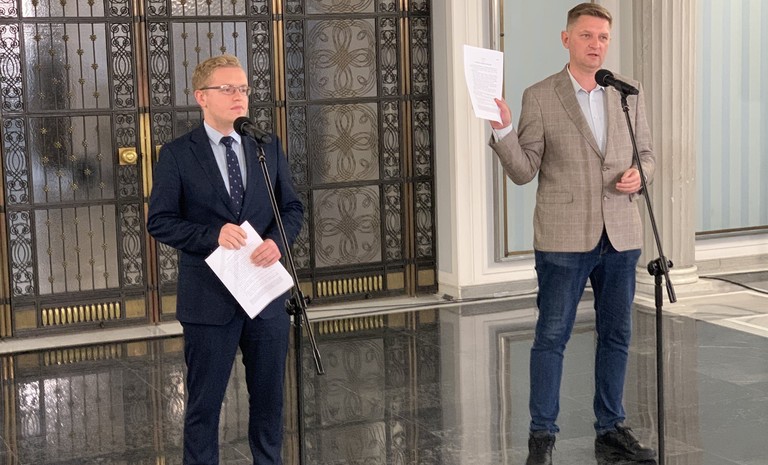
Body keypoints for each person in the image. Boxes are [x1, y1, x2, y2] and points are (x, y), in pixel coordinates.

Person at [488, 4, 657, 465]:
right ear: (567, 40)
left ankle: (612, 427)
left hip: (620, 235)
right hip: (563, 239)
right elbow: (524, 171)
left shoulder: (627, 92)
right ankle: (542, 436)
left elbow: (646, 154)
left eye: (603, 37)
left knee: (617, 334)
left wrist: (640, 175)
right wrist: (503, 129)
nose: (596, 44)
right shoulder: (541, 95)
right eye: (586, 36)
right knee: (552, 336)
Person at [147, 54, 304, 465]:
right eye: (228, 88)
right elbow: (159, 221)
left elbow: (291, 208)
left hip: (265, 299)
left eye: (244, 89)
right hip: (208, 302)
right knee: (204, 407)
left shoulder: (265, 146)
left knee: (269, 402)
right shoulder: (178, 154)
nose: (240, 97)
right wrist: (211, 235)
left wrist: (277, 241)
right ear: (202, 97)